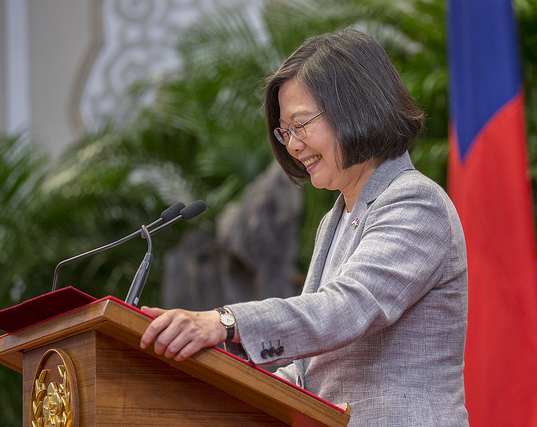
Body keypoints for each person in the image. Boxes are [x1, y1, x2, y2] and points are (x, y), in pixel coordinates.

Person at [140, 28, 469, 426]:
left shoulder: (415, 201)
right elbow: (308, 374)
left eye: (301, 125)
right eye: (285, 131)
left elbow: (346, 308)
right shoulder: (335, 220)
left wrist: (225, 322)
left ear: (356, 108)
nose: (293, 146)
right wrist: (207, 381)